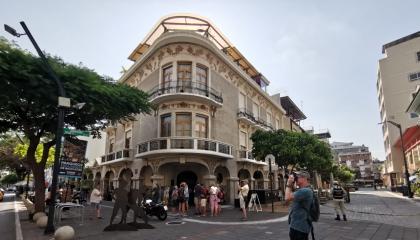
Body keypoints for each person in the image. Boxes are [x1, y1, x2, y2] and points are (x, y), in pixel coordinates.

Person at [285, 171, 313, 240]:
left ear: (304, 178)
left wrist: (288, 184)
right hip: (299, 226)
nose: (295, 179)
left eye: (297, 177)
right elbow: (288, 202)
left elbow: (287, 198)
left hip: (299, 228)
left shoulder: (305, 191)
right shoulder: (304, 190)